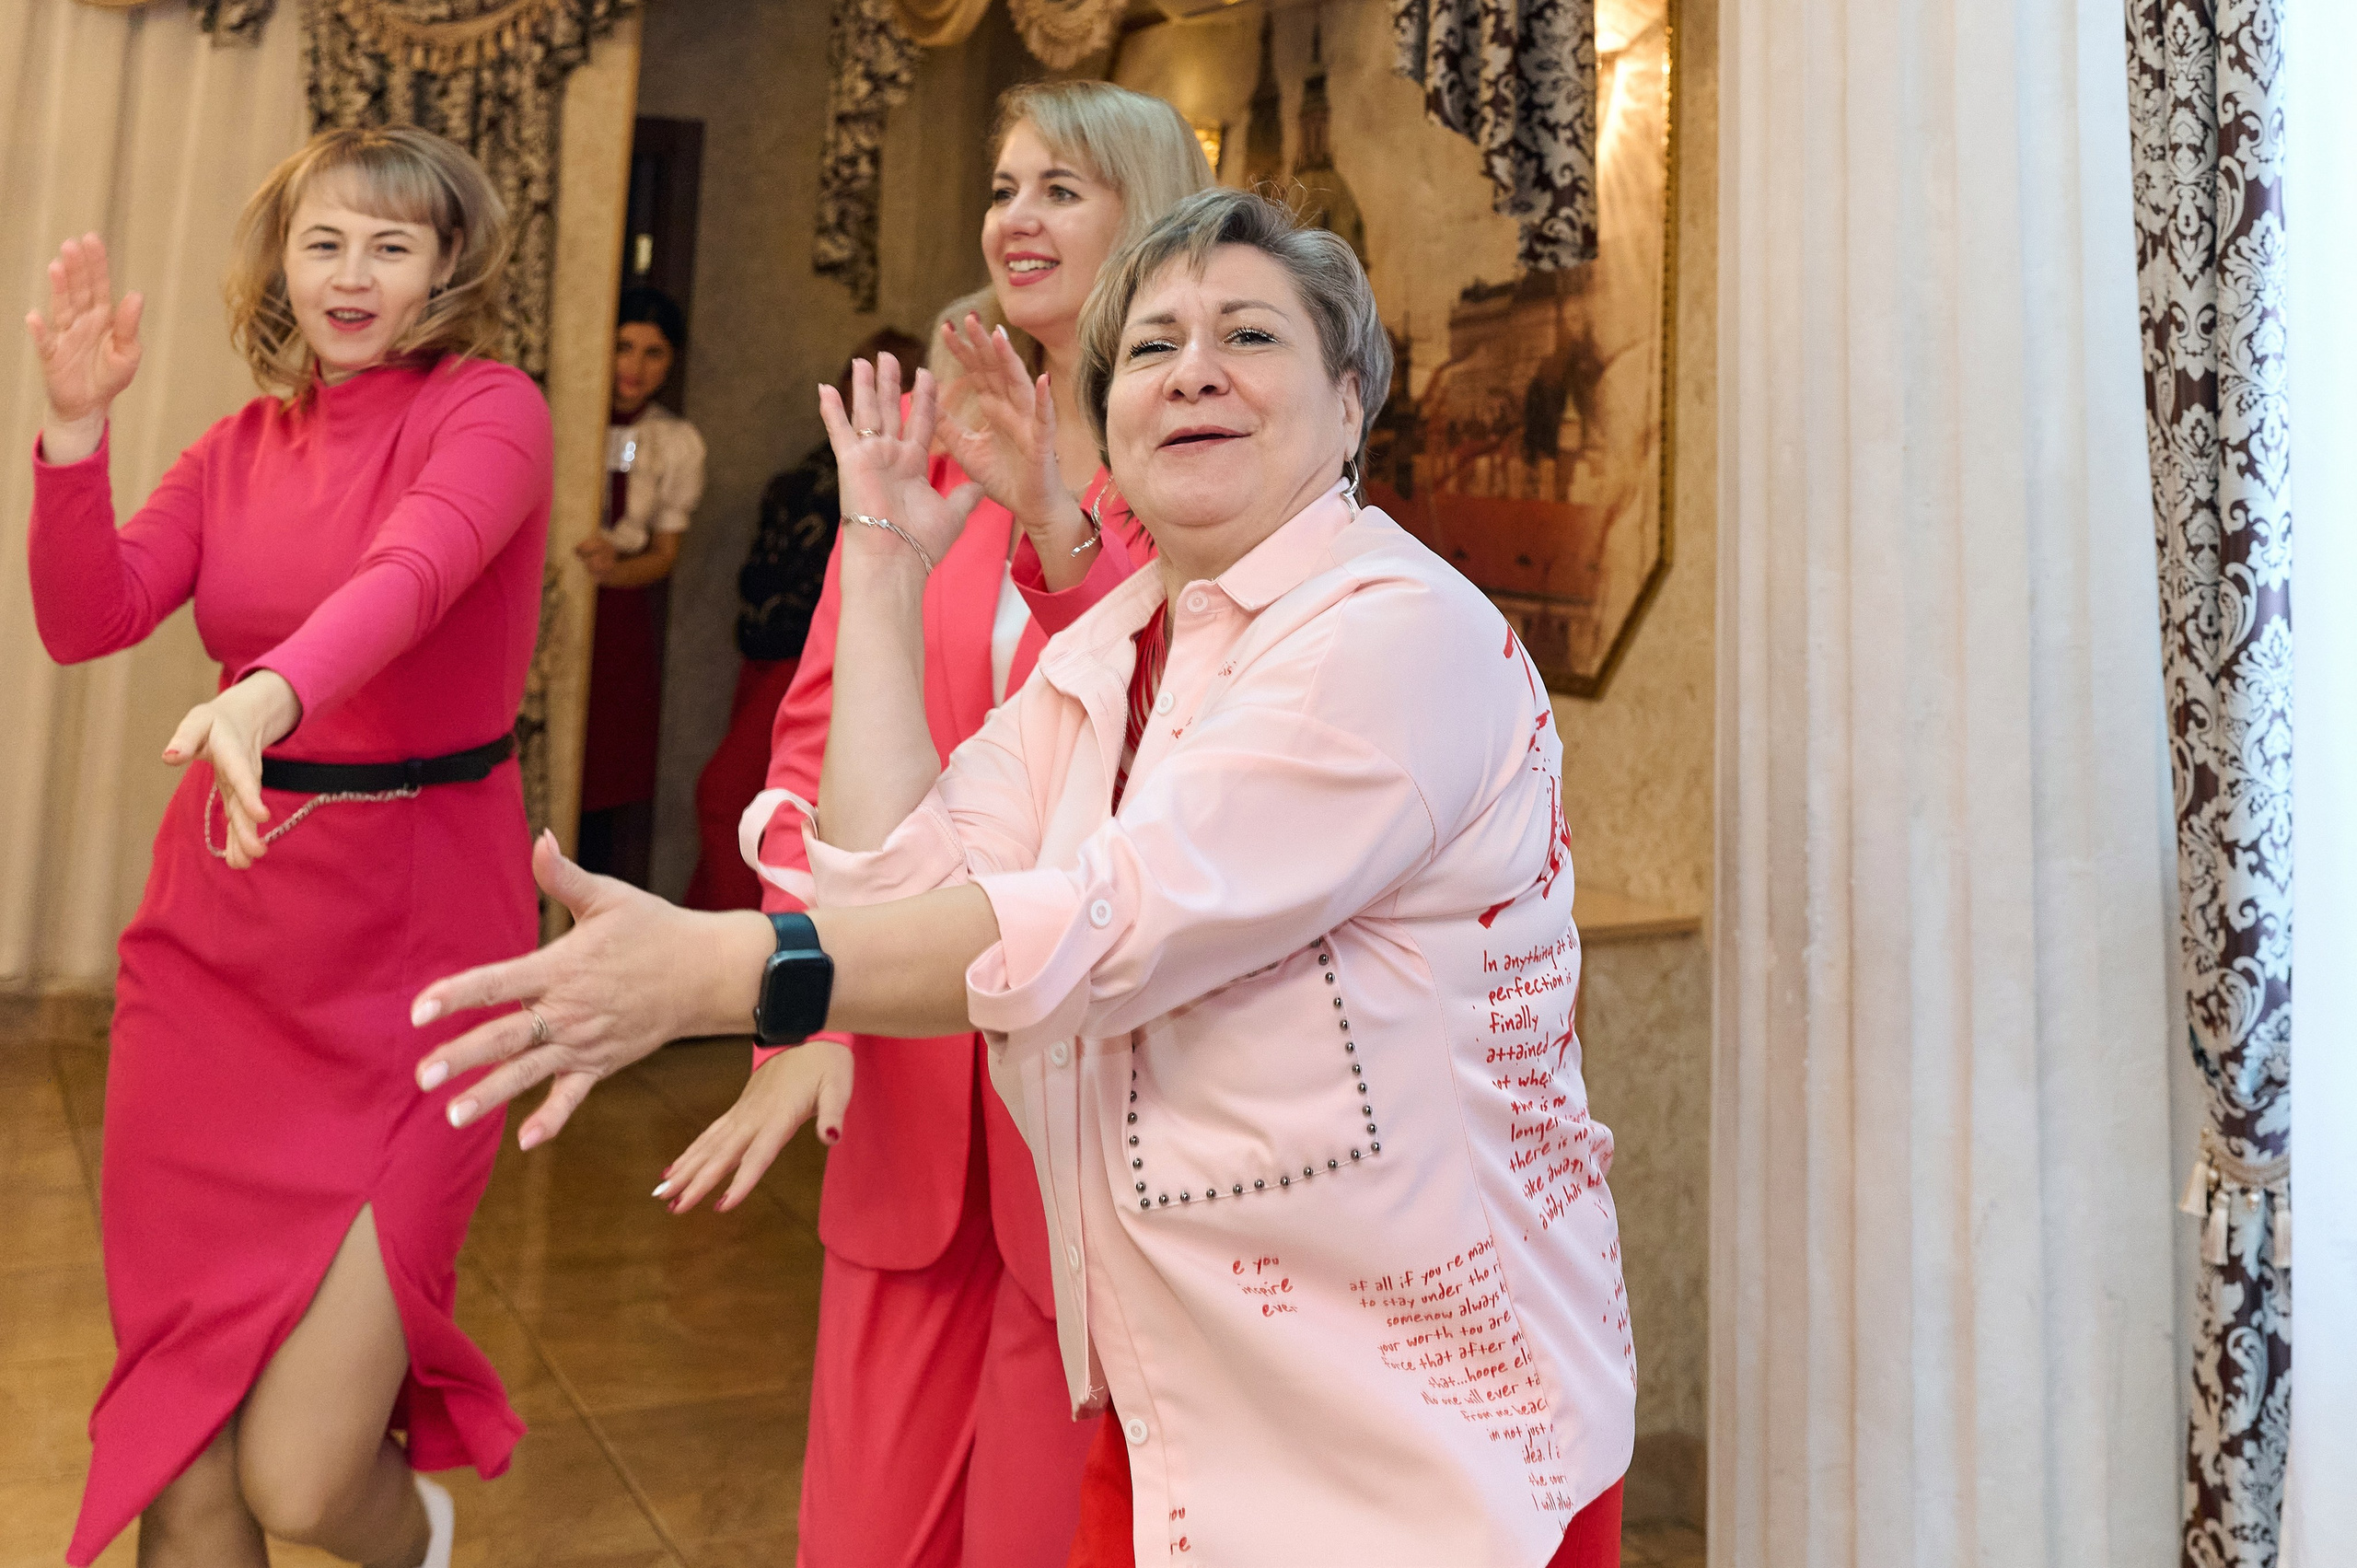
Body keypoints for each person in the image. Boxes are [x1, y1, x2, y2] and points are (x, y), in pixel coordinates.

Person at [411, 188, 1634, 1567]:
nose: (1194, 371)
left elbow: (1111, 920)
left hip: (1423, 1438)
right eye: (1154, 348)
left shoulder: (1396, 634)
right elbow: (888, 888)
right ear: (1108, 419)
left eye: (1249, 335)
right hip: (1186, 1406)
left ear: (1351, 405)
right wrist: (878, 559)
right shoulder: (1106, 654)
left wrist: (722, 973)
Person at [681, 80, 1209, 1566]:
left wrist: (1065, 525)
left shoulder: (1202, 456)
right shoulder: (923, 446)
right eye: (1003, 185)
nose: (1015, 217)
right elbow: (813, 753)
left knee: (1049, 1528)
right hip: (914, 1080)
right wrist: (813, 1020)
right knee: (864, 1530)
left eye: (1062, 186)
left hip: (1107, 1096)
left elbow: (1189, 743)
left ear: (1148, 211)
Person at [24, 127, 548, 1568]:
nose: (353, 273)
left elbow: (416, 568)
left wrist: (265, 690)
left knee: (302, 1482)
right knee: (185, 1474)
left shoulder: (490, 411)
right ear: (283, 264)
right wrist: (72, 438)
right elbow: (90, 616)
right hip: (217, 960)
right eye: (325, 242)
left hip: (424, 959)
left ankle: (420, 1534)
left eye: (392, 243)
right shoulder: (236, 448)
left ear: (450, 264)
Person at [683, 325, 923, 913]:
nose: (861, 389)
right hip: (764, 658)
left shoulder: (896, 483)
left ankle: (748, 948)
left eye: (883, 378)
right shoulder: (813, 467)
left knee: (734, 796)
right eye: (855, 372)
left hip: (817, 659)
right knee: (747, 803)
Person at [575, 285, 705, 886]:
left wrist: (613, 571)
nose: (635, 367)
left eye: (654, 353)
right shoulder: (564, 418)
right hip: (554, 597)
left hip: (619, 613)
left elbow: (663, 553)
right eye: (624, 346)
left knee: (602, 770)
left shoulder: (674, 441)